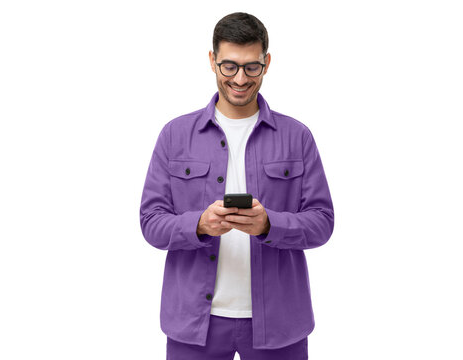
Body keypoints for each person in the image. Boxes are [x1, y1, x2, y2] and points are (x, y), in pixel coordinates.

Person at [139, 12, 334, 360]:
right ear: (212, 61)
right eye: (229, 66)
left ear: (267, 62)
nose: (240, 78)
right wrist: (198, 224)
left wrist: (270, 224)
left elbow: (322, 221)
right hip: (194, 326)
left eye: (251, 67)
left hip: (279, 324)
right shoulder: (175, 136)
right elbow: (151, 222)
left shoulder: (296, 137)